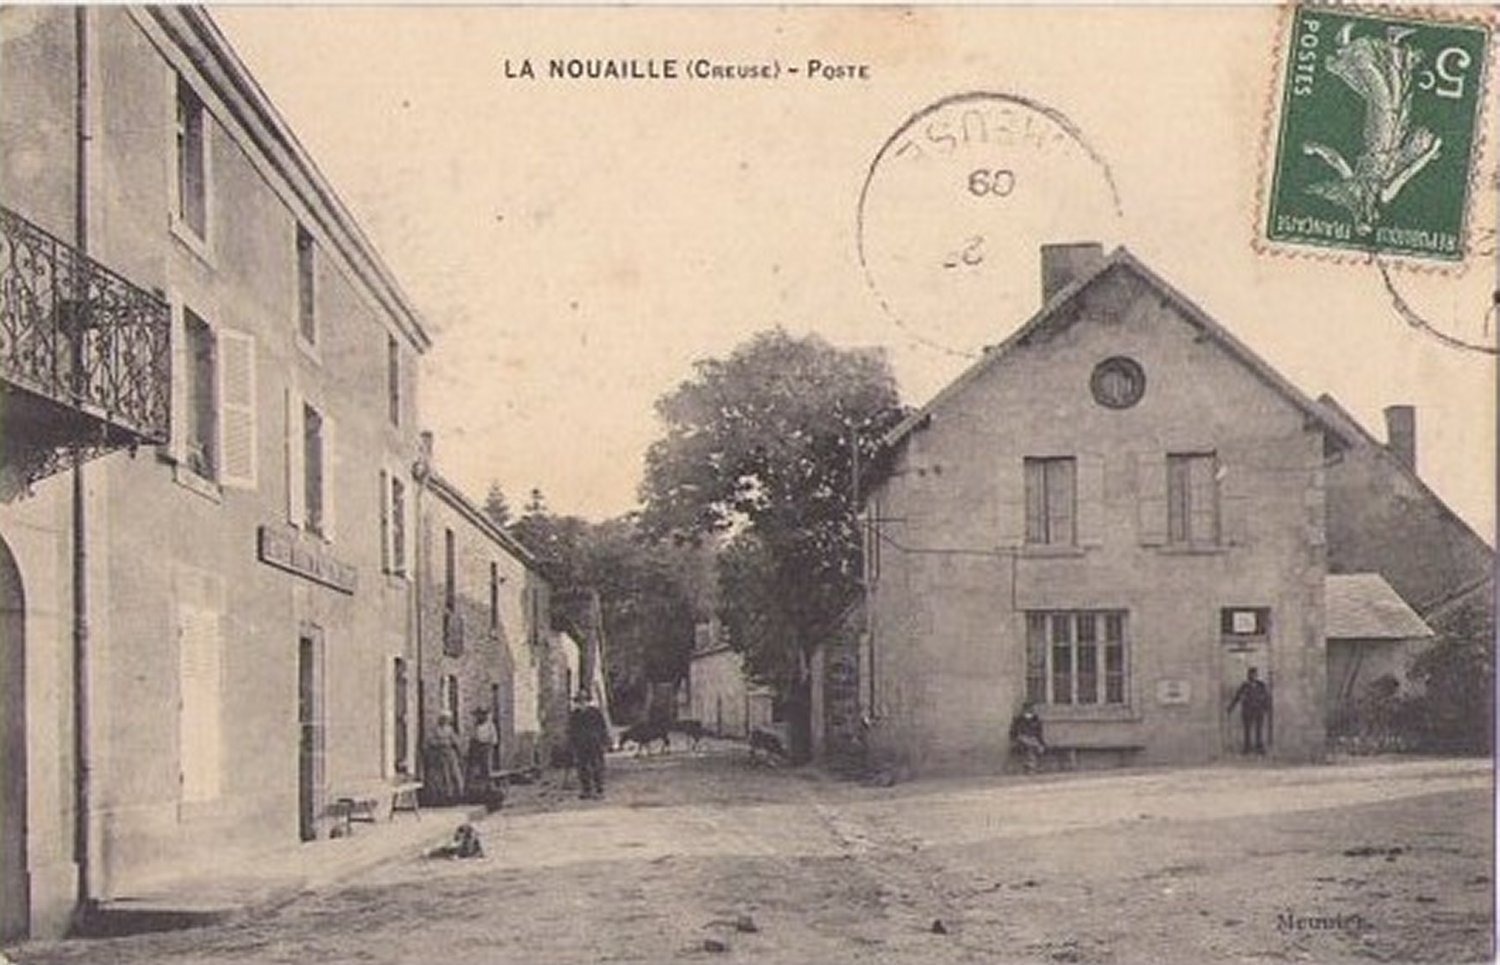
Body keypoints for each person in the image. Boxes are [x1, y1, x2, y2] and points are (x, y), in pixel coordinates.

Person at [567, 689, 610, 800]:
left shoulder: (595, 713)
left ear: (588, 701)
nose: (582, 704)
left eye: (584, 701)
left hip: (594, 743)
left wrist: (605, 741)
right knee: (582, 767)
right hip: (580, 745)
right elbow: (571, 730)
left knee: (597, 766)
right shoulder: (575, 715)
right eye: (580, 701)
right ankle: (586, 790)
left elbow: (602, 727)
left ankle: (599, 790)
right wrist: (571, 744)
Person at [1227, 667, 1272, 755]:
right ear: (1248, 676)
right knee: (1247, 730)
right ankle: (1247, 747)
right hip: (1248, 711)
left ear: (1256, 675)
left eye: (1254, 674)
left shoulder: (1261, 685)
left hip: (1258, 710)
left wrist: (1267, 708)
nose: (1253, 676)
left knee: (1258, 729)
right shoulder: (1244, 686)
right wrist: (1231, 707)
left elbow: (1266, 697)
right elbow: (1237, 697)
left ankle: (1259, 747)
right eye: (1251, 675)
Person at [426, 713, 465, 803]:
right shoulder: (435, 730)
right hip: (440, 754)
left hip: (450, 753)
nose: (444, 721)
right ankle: (446, 795)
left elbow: (456, 741)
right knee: (444, 774)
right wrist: (440, 743)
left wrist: (459, 749)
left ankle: (459, 793)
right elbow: (430, 741)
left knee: (455, 773)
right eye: (443, 719)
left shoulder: (450, 730)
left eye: (446, 719)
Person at [468, 707, 500, 796]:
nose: (479, 717)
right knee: (473, 768)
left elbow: (494, 739)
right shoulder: (475, 725)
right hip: (476, 747)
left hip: (486, 747)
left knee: (486, 768)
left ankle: (489, 788)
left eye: (481, 715)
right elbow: (472, 736)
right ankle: (474, 789)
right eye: (478, 715)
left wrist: (489, 747)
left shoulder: (490, 725)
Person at [1009, 702, 1047, 773]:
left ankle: (1031, 766)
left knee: (1034, 746)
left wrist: (1041, 743)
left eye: (1031, 709)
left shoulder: (1036, 720)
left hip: (1032, 739)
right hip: (1022, 739)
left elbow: (1039, 733)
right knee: (1030, 745)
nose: (1030, 711)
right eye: (1028, 709)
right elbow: (1014, 732)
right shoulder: (1019, 719)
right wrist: (1015, 740)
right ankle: (1031, 766)